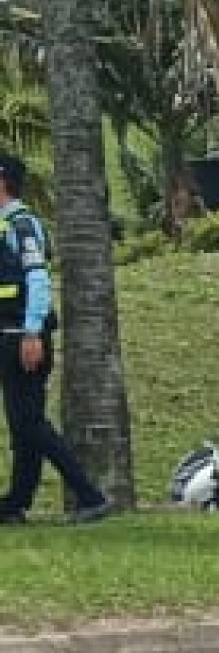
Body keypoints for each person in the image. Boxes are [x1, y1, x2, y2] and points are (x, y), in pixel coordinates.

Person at [0, 153, 112, 524]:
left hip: (23, 336)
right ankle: (16, 503)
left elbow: (38, 279)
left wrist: (32, 332)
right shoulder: (5, 224)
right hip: (11, 333)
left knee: (30, 423)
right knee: (23, 424)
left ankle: (90, 496)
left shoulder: (21, 224)